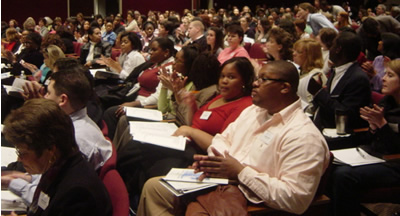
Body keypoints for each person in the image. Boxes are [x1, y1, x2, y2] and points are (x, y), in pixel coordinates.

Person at [137, 60, 330, 215]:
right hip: (223, 181)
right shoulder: (254, 112)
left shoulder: (303, 136)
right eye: (257, 78)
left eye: (263, 79)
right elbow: (222, 140)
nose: (255, 83)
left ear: (285, 88)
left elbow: (296, 199)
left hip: (252, 198)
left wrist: (239, 171)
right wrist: (212, 164)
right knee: (154, 188)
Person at [2, 99, 112, 216]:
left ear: (50, 150)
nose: (19, 159)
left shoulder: (78, 194)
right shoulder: (58, 168)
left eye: (23, 152)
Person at [329, 59, 400, 216]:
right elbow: (373, 139)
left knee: (344, 175)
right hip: (378, 156)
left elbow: (394, 149)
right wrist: (374, 127)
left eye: (390, 75)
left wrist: (381, 125)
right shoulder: (386, 102)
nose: (382, 78)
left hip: (395, 163)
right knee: (329, 163)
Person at [308, 31, 371, 131]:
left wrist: (319, 93)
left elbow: (345, 113)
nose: (330, 49)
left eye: (332, 45)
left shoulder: (358, 78)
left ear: (338, 49)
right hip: (323, 125)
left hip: (343, 134)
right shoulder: (336, 70)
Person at [293, 38, 326, 114]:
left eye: (299, 52)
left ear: (310, 56)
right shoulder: (301, 71)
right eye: (294, 50)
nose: (294, 54)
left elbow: (311, 108)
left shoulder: (316, 75)